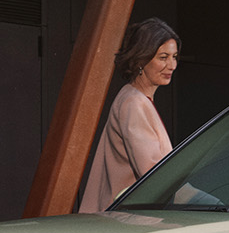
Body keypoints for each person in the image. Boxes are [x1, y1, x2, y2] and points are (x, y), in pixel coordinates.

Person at [78, 17, 182, 211]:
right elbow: (156, 177)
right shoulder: (134, 103)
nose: (172, 65)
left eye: (174, 57)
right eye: (163, 57)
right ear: (141, 60)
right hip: (129, 219)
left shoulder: (133, 97)